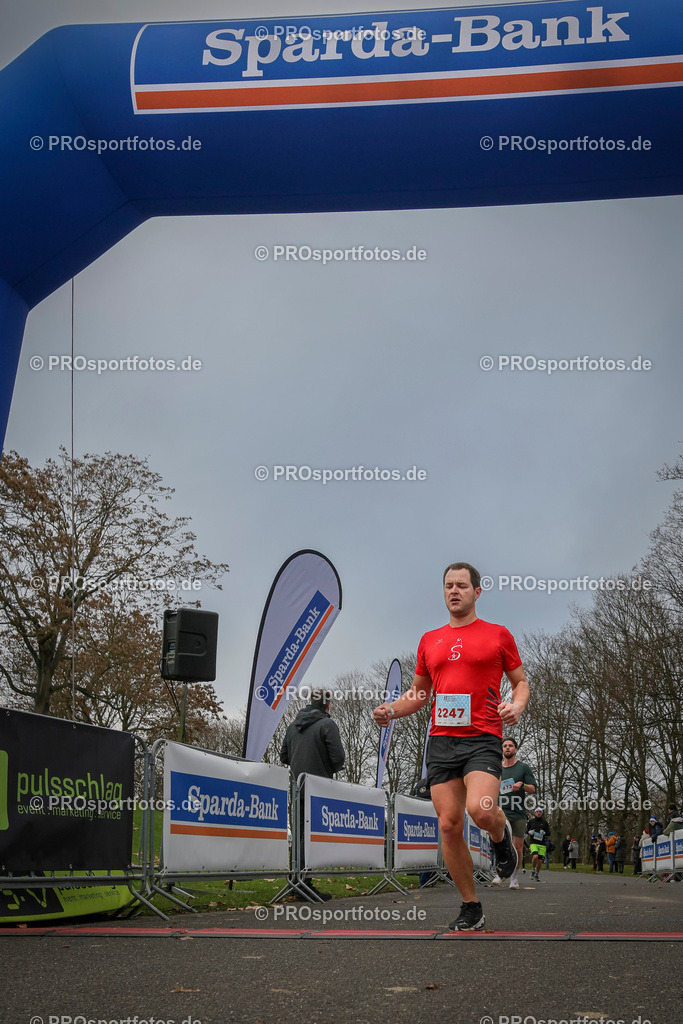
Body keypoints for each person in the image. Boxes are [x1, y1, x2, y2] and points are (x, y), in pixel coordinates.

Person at [373, 561, 530, 931]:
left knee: (481, 810)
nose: (454, 591)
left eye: (461, 585)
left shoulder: (498, 635)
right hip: (442, 741)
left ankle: (500, 836)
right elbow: (419, 694)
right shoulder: (430, 640)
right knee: (448, 824)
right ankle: (471, 906)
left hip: (482, 737)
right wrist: (391, 709)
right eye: (448, 585)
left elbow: (520, 682)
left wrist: (517, 705)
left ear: (477, 591)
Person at [281, 688, 345, 901]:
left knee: (299, 835)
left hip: (297, 787)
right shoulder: (327, 724)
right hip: (318, 788)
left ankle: (295, 884)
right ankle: (304, 885)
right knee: (309, 837)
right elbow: (338, 759)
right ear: (328, 705)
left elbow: (283, 756)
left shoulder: (292, 726)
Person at [492, 736, 537, 890]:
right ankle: (500, 874)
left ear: (516, 750)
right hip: (501, 812)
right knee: (500, 845)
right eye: (505, 746)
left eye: (510, 746)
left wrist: (522, 785)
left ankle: (514, 878)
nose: (507, 748)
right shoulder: (497, 768)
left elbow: (533, 788)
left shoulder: (523, 768)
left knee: (517, 847)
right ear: (502, 749)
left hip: (518, 813)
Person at [525, 807, 551, 880]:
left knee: (539, 861)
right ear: (535, 813)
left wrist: (544, 833)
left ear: (541, 813)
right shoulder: (531, 821)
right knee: (535, 856)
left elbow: (549, 833)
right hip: (533, 842)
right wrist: (529, 832)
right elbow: (526, 831)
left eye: (540, 812)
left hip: (542, 843)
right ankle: (533, 870)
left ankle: (536, 874)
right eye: (537, 812)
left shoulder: (545, 823)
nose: (538, 813)